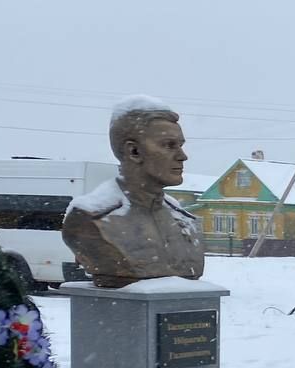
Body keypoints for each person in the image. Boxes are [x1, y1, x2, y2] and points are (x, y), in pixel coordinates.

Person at [61, 97, 204, 288]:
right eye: (169, 145)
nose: (182, 156)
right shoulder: (90, 219)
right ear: (134, 151)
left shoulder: (186, 220)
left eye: (180, 145)